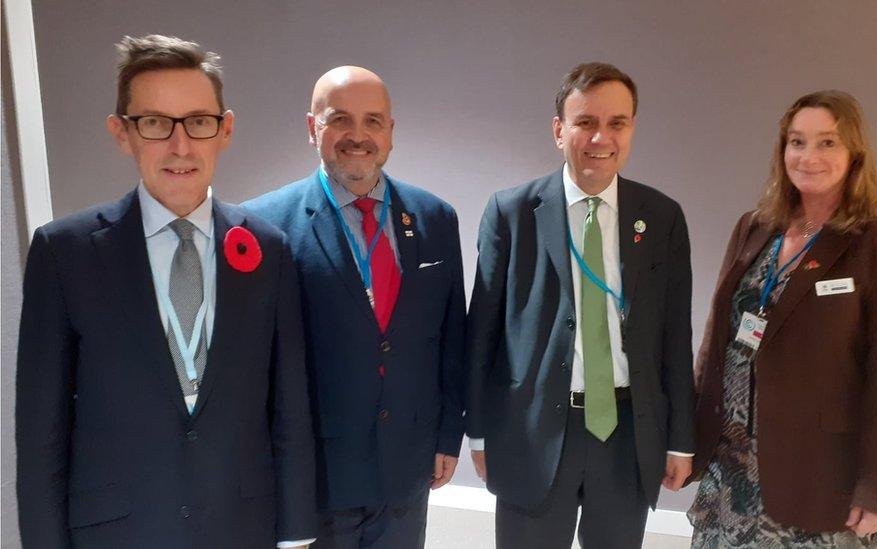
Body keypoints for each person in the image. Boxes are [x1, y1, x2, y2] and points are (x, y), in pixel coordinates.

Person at [15, 35, 317, 548]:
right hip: (119, 532)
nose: (181, 146)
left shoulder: (269, 250)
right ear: (121, 132)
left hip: (241, 528)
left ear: (225, 130)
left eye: (199, 122)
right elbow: (41, 430)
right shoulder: (65, 253)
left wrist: (295, 534)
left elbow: (289, 406)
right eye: (155, 124)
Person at [688, 90, 877, 548]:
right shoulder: (755, 227)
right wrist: (688, 438)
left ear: (854, 153)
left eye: (827, 143)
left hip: (820, 480)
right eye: (796, 141)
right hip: (732, 468)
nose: (808, 157)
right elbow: (715, 340)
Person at [465, 62, 695, 549]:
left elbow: (676, 337)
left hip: (627, 435)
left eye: (617, 123)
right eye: (585, 122)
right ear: (558, 130)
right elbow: (481, 334)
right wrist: (478, 434)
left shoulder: (662, 217)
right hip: (533, 434)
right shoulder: (510, 213)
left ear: (632, 128)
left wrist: (680, 439)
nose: (600, 137)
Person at [243, 66, 466, 549]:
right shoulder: (263, 227)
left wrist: (450, 436)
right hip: (318, 477)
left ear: (390, 132)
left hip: (409, 469)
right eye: (340, 119)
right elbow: (254, 367)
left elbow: (451, 340)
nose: (358, 136)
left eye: (373, 121)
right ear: (312, 128)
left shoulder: (435, 218)